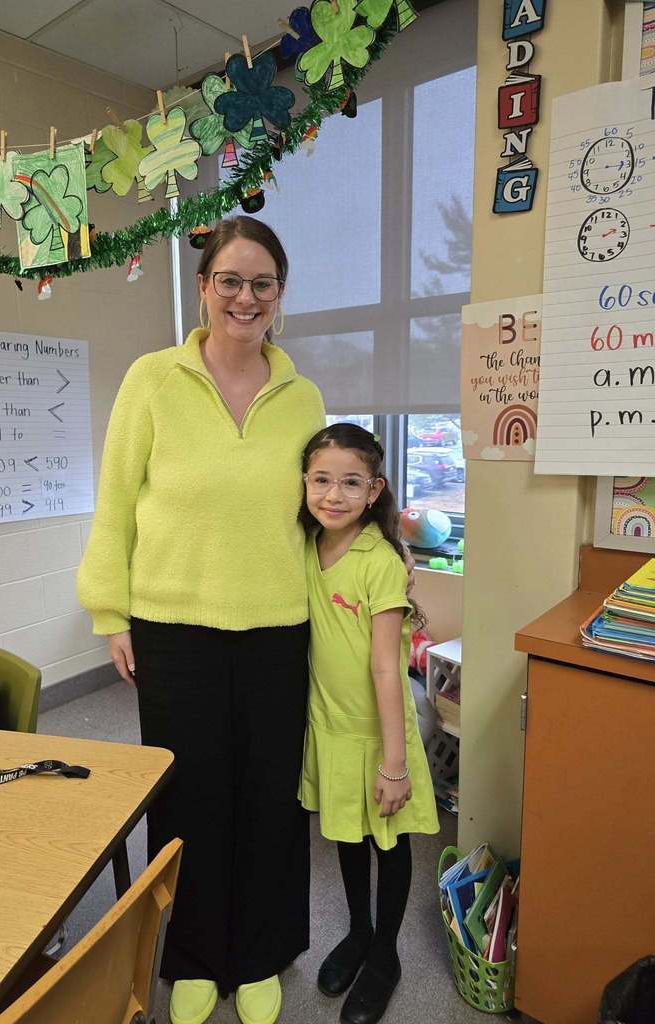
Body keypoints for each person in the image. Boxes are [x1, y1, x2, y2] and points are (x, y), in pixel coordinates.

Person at [76, 216, 325, 1024]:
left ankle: (258, 954)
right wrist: (110, 611)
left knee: (269, 798)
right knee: (188, 797)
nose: (244, 298)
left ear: (279, 295)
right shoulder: (152, 379)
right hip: (173, 625)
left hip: (279, 625)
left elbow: (324, 509)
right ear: (203, 288)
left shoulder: (305, 394)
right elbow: (114, 502)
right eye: (230, 281)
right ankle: (188, 955)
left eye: (262, 284)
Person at [298, 423, 440, 1024]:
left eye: (350, 483)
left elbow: (387, 668)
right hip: (327, 727)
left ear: (374, 488)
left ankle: (385, 954)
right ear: (304, 483)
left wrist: (395, 765)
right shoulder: (306, 545)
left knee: (391, 840)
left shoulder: (379, 560)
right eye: (321, 480)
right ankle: (358, 931)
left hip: (380, 737)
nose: (333, 495)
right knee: (348, 836)